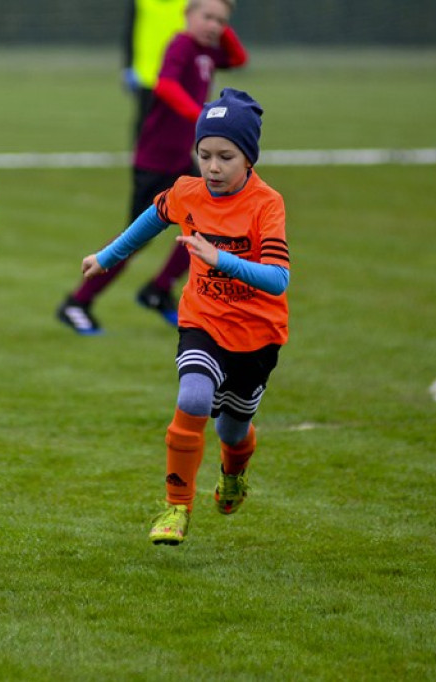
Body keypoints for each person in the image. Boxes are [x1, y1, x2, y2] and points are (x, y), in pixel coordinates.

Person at [80, 88, 289, 545]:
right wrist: (108, 257)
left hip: (257, 334)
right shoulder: (187, 191)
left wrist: (219, 259)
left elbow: (277, 280)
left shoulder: (266, 204)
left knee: (232, 429)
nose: (212, 167)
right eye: (204, 154)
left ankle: (233, 474)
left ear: (249, 157)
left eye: (225, 156)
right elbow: (150, 220)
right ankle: (176, 508)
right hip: (203, 320)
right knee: (193, 396)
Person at [59, 0, 247, 335]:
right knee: (136, 237)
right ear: (187, 15)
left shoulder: (206, 50)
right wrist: (200, 117)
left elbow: (237, 59)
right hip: (155, 161)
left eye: (221, 21)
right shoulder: (182, 44)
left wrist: (221, 23)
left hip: (180, 161)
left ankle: (158, 290)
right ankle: (78, 302)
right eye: (207, 17)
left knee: (209, 226)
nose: (214, 26)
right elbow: (166, 85)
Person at [121, 0, 186, 140]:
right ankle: (141, 157)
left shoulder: (188, 3)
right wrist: (128, 67)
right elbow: (129, 32)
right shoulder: (140, 2)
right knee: (146, 120)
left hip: (179, 74)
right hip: (147, 73)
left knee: (178, 123)